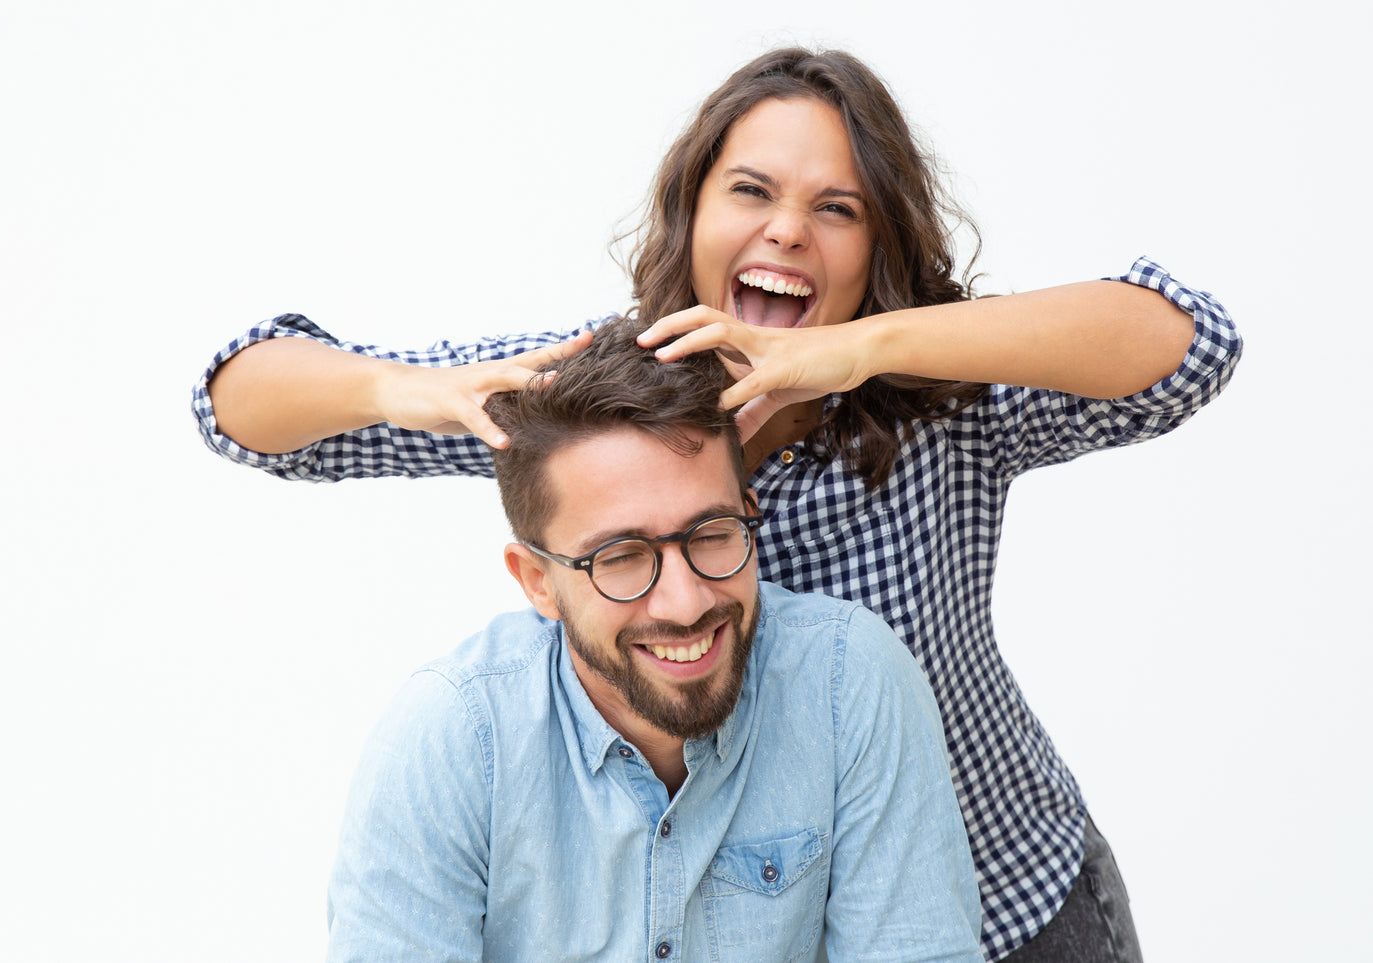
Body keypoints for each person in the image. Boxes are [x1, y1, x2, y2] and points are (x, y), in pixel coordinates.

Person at [194, 48, 1242, 962]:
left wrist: (866, 346)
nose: (788, 231)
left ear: (876, 250)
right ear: (691, 211)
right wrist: (402, 389)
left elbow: (1188, 347)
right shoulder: (591, 404)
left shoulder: (935, 401)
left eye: (837, 210)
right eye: (751, 190)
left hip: (992, 903)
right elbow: (234, 402)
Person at [324, 317, 984, 961]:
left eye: (712, 532)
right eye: (622, 555)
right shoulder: (451, 735)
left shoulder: (852, 681)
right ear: (537, 581)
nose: (686, 600)